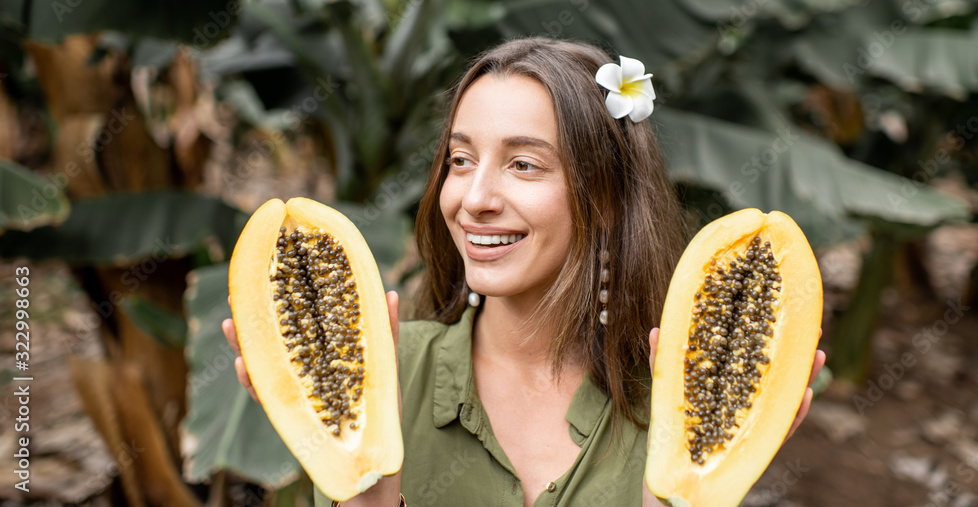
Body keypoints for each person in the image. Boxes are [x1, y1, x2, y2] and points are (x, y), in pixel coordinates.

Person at [223, 37, 825, 506]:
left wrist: (704, 478)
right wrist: (356, 480)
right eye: (460, 160)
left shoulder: (675, 400)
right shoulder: (387, 377)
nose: (475, 197)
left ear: (605, 197)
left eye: (524, 165)